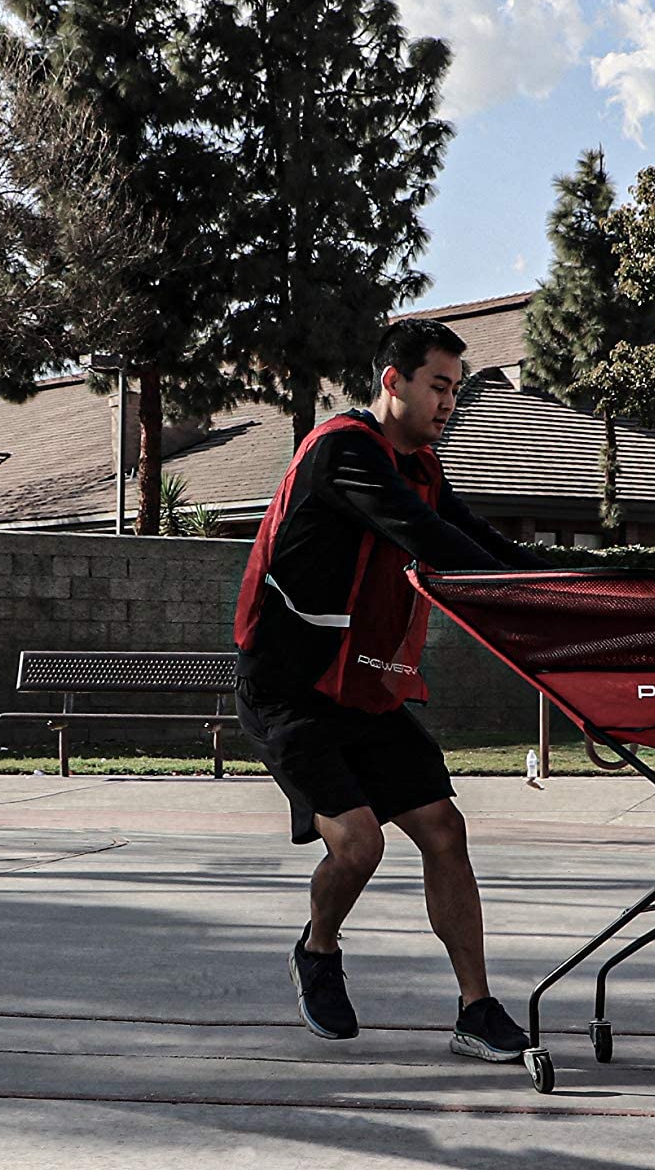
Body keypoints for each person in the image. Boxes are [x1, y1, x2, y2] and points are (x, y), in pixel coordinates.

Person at [230, 316, 541, 1060]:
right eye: (438, 386)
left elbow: (482, 542)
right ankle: (318, 946)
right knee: (360, 844)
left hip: (363, 688)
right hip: (290, 687)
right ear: (392, 381)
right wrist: (501, 582)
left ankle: (476, 1008)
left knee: (443, 827)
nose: (449, 403)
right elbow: (426, 538)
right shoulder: (344, 452)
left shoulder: (425, 470)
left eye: (456, 390)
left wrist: (563, 583)